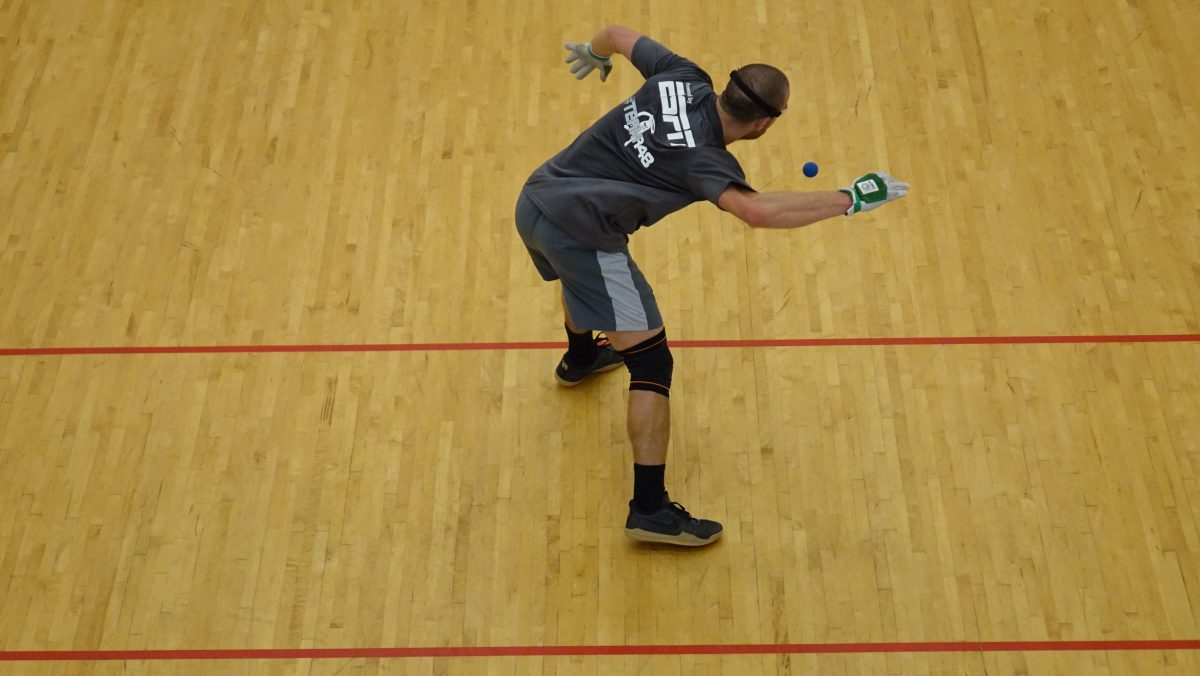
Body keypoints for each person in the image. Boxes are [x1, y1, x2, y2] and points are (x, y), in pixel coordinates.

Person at [514, 25, 909, 547]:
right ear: (764, 123)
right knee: (651, 364)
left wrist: (594, 52)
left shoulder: (680, 75)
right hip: (582, 236)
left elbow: (616, 33)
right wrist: (850, 199)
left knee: (583, 282)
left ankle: (581, 358)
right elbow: (756, 211)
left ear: (726, 85)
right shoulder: (705, 160)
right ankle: (650, 511)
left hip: (535, 200)